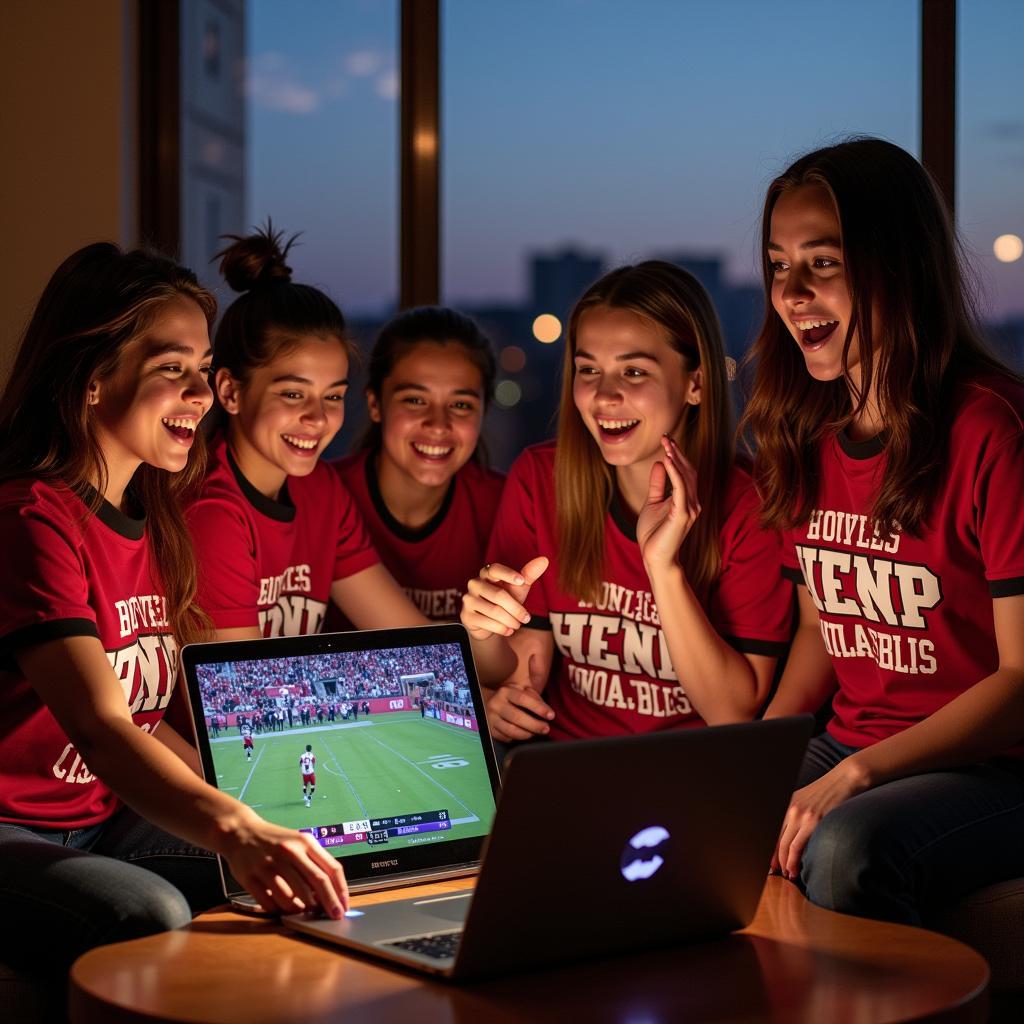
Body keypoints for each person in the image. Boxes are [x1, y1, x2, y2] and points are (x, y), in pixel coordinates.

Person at [0, 244, 348, 975]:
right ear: (94, 380)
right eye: (171, 369)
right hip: (13, 828)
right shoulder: (31, 516)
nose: (199, 392)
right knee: (146, 912)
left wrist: (266, 816)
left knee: (316, 867)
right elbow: (101, 727)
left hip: (103, 822)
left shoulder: (155, 516)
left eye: (201, 368)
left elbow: (148, 715)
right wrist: (237, 829)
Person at [744, 137, 1024, 925]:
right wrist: (749, 762)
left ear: (896, 265)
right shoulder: (802, 429)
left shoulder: (991, 429)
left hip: (994, 765)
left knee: (843, 850)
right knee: (694, 810)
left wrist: (859, 774)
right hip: (854, 741)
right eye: (777, 265)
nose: (791, 292)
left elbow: (1019, 681)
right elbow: (816, 627)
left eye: (823, 263)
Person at [461, 261, 792, 742]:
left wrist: (663, 568)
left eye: (634, 371)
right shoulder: (540, 479)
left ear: (696, 383)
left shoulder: (752, 504)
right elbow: (519, 673)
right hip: (567, 766)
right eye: (588, 370)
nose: (603, 396)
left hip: (689, 775)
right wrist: (482, 634)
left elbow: (731, 712)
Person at [185, 226, 428, 644]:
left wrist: (482, 628)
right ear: (230, 391)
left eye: (332, 396)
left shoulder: (321, 491)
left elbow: (413, 637)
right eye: (293, 393)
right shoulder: (210, 510)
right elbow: (237, 699)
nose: (317, 418)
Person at [332, 307, 504, 623]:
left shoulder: (506, 505)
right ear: (375, 404)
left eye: (461, 405)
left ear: (483, 414)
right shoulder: (327, 497)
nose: (438, 425)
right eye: (415, 400)